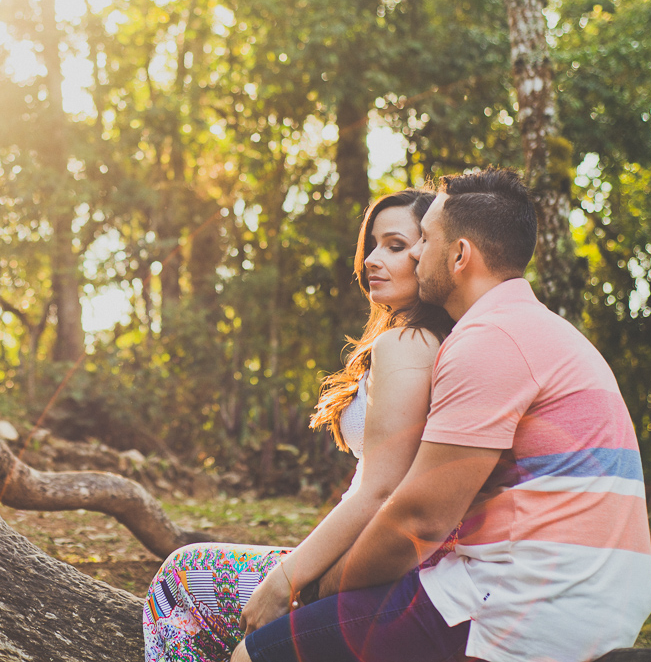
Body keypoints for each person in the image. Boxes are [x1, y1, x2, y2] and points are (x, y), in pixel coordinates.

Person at [232, 168, 651, 662]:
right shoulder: (537, 329)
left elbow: (420, 517)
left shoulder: (490, 341)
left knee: (255, 655)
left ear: (459, 256)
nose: (414, 253)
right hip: (575, 595)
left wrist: (320, 588)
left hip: (526, 604)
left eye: (424, 240)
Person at [143, 188, 455, 662]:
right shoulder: (429, 339)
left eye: (394, 245)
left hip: (383, 567)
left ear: (431, 253)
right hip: (387, 560)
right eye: (372, 244)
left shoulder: (407, 343)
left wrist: (286, 580)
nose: (371, 259)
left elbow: (378, 490)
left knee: (185, 576)